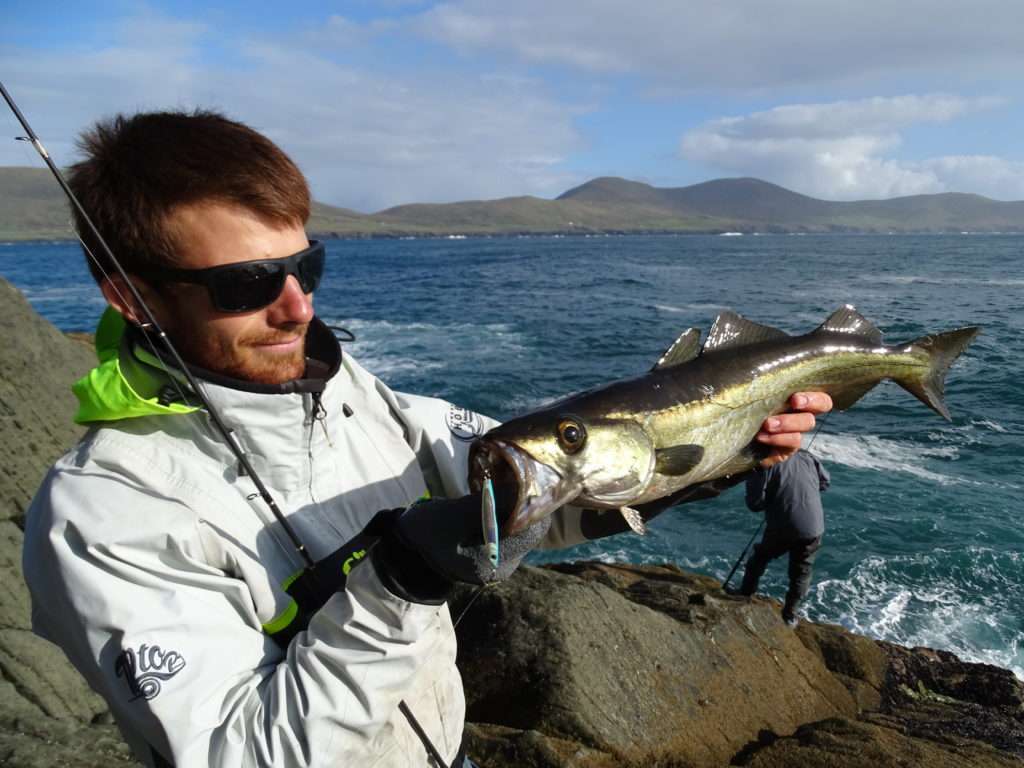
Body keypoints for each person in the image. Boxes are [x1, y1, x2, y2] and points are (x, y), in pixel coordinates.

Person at [21, 109, 832, 768]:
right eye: (246, 283)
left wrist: (708, 461)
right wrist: (400, 579)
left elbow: (540, 498)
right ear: (132, 298)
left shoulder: (354, 396)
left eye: (307, 265)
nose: (298, 307)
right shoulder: (99, 518)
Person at [733, 449, 831, 628]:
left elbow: (755, 504)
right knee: (802, 571)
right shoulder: (808, 456)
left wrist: (772, 498)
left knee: (759, 558)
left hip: (783, 526)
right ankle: (790, 616)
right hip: (815, 527)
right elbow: (825, 483)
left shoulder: (764, 464)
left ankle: (744, 595)